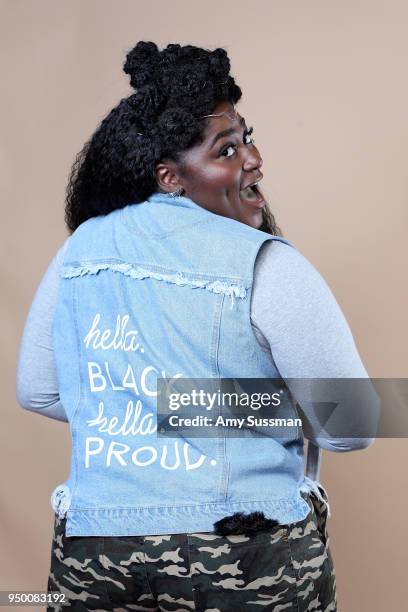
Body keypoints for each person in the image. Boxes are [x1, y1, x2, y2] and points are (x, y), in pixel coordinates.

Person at [16, 41, 378, 611]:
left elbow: (37, 389)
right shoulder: (268, 263)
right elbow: (352, 423)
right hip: (244, 555)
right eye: (226, 150)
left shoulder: (80, 251)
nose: (253, 159)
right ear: (169, 176)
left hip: (98, 553)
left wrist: (149, 406)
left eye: (245, 137)